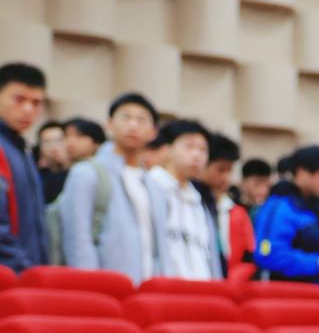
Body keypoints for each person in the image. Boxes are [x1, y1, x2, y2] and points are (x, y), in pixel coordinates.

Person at [58, 93, 160, 278]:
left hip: (146, 287)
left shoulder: (154, 185)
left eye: (141, 120)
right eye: (125, 117)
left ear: (153, 132)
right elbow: (77, 237)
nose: (133, 125)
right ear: (109, 124)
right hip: (105, 286)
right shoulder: (87, 173)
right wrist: (89, 283)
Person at [149, 119, 222, 281]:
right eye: (189, 146)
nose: (197, 155)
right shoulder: (150, 188)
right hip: (164, 288)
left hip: (201, 289)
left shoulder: (199, 200)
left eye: (203, 150)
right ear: (167, 149)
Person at [254, 145, 319, 283]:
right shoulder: (279, 207)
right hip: (291, 290)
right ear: (301, 173)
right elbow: (269, 255)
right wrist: (318, 264)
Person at [0, 62, 49, 271]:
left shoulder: (22, 149)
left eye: (36, 103)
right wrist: (24, 269)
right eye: (19, 99)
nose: (28, 109)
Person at [201, 132, 256, 281]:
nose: (226, 178)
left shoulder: (237, 213)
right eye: (220, 170)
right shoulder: (191, 205)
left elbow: (249, 256)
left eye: (229, 171)